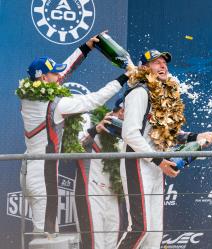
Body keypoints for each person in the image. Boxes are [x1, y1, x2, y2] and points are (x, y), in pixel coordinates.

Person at [19, 34, 130, 249]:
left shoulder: (28, 95)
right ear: (44, 79)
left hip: (29, 169)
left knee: (46, 236)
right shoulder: (57, 105)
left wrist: (85, 48)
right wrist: (123, 78)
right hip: (43, 177)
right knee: (46, 240)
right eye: (54, 73)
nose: (59, 75)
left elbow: (64, 71)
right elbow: (95, 99)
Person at [116, 50, 212, 249]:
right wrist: (159, 161)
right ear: (144, 69)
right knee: (140, 228)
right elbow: (130, 134)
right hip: (137, 164)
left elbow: (169, 132)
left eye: (164, 62)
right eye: (156, 63)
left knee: (154, 232)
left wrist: (197, 137)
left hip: (155, 165)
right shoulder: (139, 92)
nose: (163, 66)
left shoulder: (161, 96)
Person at [82, 98, 125, 249]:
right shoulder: (92, 121)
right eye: (125, 113)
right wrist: (96, 129)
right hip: (93, 191)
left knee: (111, 242)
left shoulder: (130, 133)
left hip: (113, 192)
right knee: (96, 243)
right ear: (120, 111)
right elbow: (75, 147)